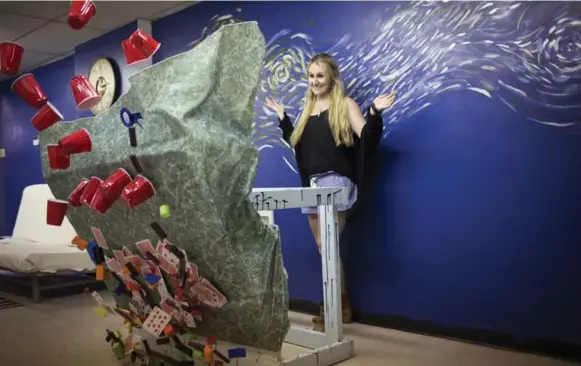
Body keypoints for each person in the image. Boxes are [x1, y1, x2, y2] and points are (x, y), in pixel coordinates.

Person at [264, 53, 395, 331]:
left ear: (332, 77)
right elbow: (298, 144)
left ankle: (333, 306)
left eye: (320, 75)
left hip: (337, 182)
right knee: (325, 248)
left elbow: (367, 139)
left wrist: (374, 112)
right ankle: (340, 304)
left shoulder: (345, 105)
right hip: (312, 185)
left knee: (328, 247)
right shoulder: (306, 110)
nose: (315, 81)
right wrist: (282, 118)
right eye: (311, 76)